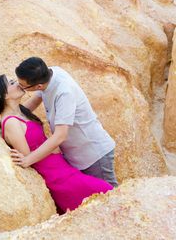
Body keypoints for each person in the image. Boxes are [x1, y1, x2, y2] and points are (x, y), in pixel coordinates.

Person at [0, 75, 113, 213]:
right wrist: (52, 147)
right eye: (11, 83)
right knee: (106, 193)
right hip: (57, 178)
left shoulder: (21, 113)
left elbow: (37, 98)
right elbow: (27, 157)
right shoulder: (11, 122)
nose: (17, 83)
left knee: (106, 201)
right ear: (3, 95)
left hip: (64, 169)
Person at [13, 57, 118, 187]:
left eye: (23, 86)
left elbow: (60, 136)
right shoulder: (49, 74)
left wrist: (28, 159)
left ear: (38, 86)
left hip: (93, 153)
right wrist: (11, 117)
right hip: (76, 154)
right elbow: (35, 100)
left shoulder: (64, 93)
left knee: (109, 195)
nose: (19, 87)